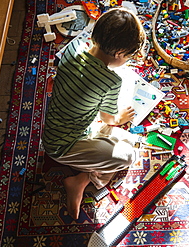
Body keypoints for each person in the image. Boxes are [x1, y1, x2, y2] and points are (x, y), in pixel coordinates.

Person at [42, 7, 146, 219]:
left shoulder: (73, 48)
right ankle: (83, 179)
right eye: (127, 57)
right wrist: (121, 118)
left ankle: (83, 175)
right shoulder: (111, 81)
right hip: (63, 145)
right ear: (119, 54)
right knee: (129, 155)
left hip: (63, 126)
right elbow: (109, 119)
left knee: (130, 141)